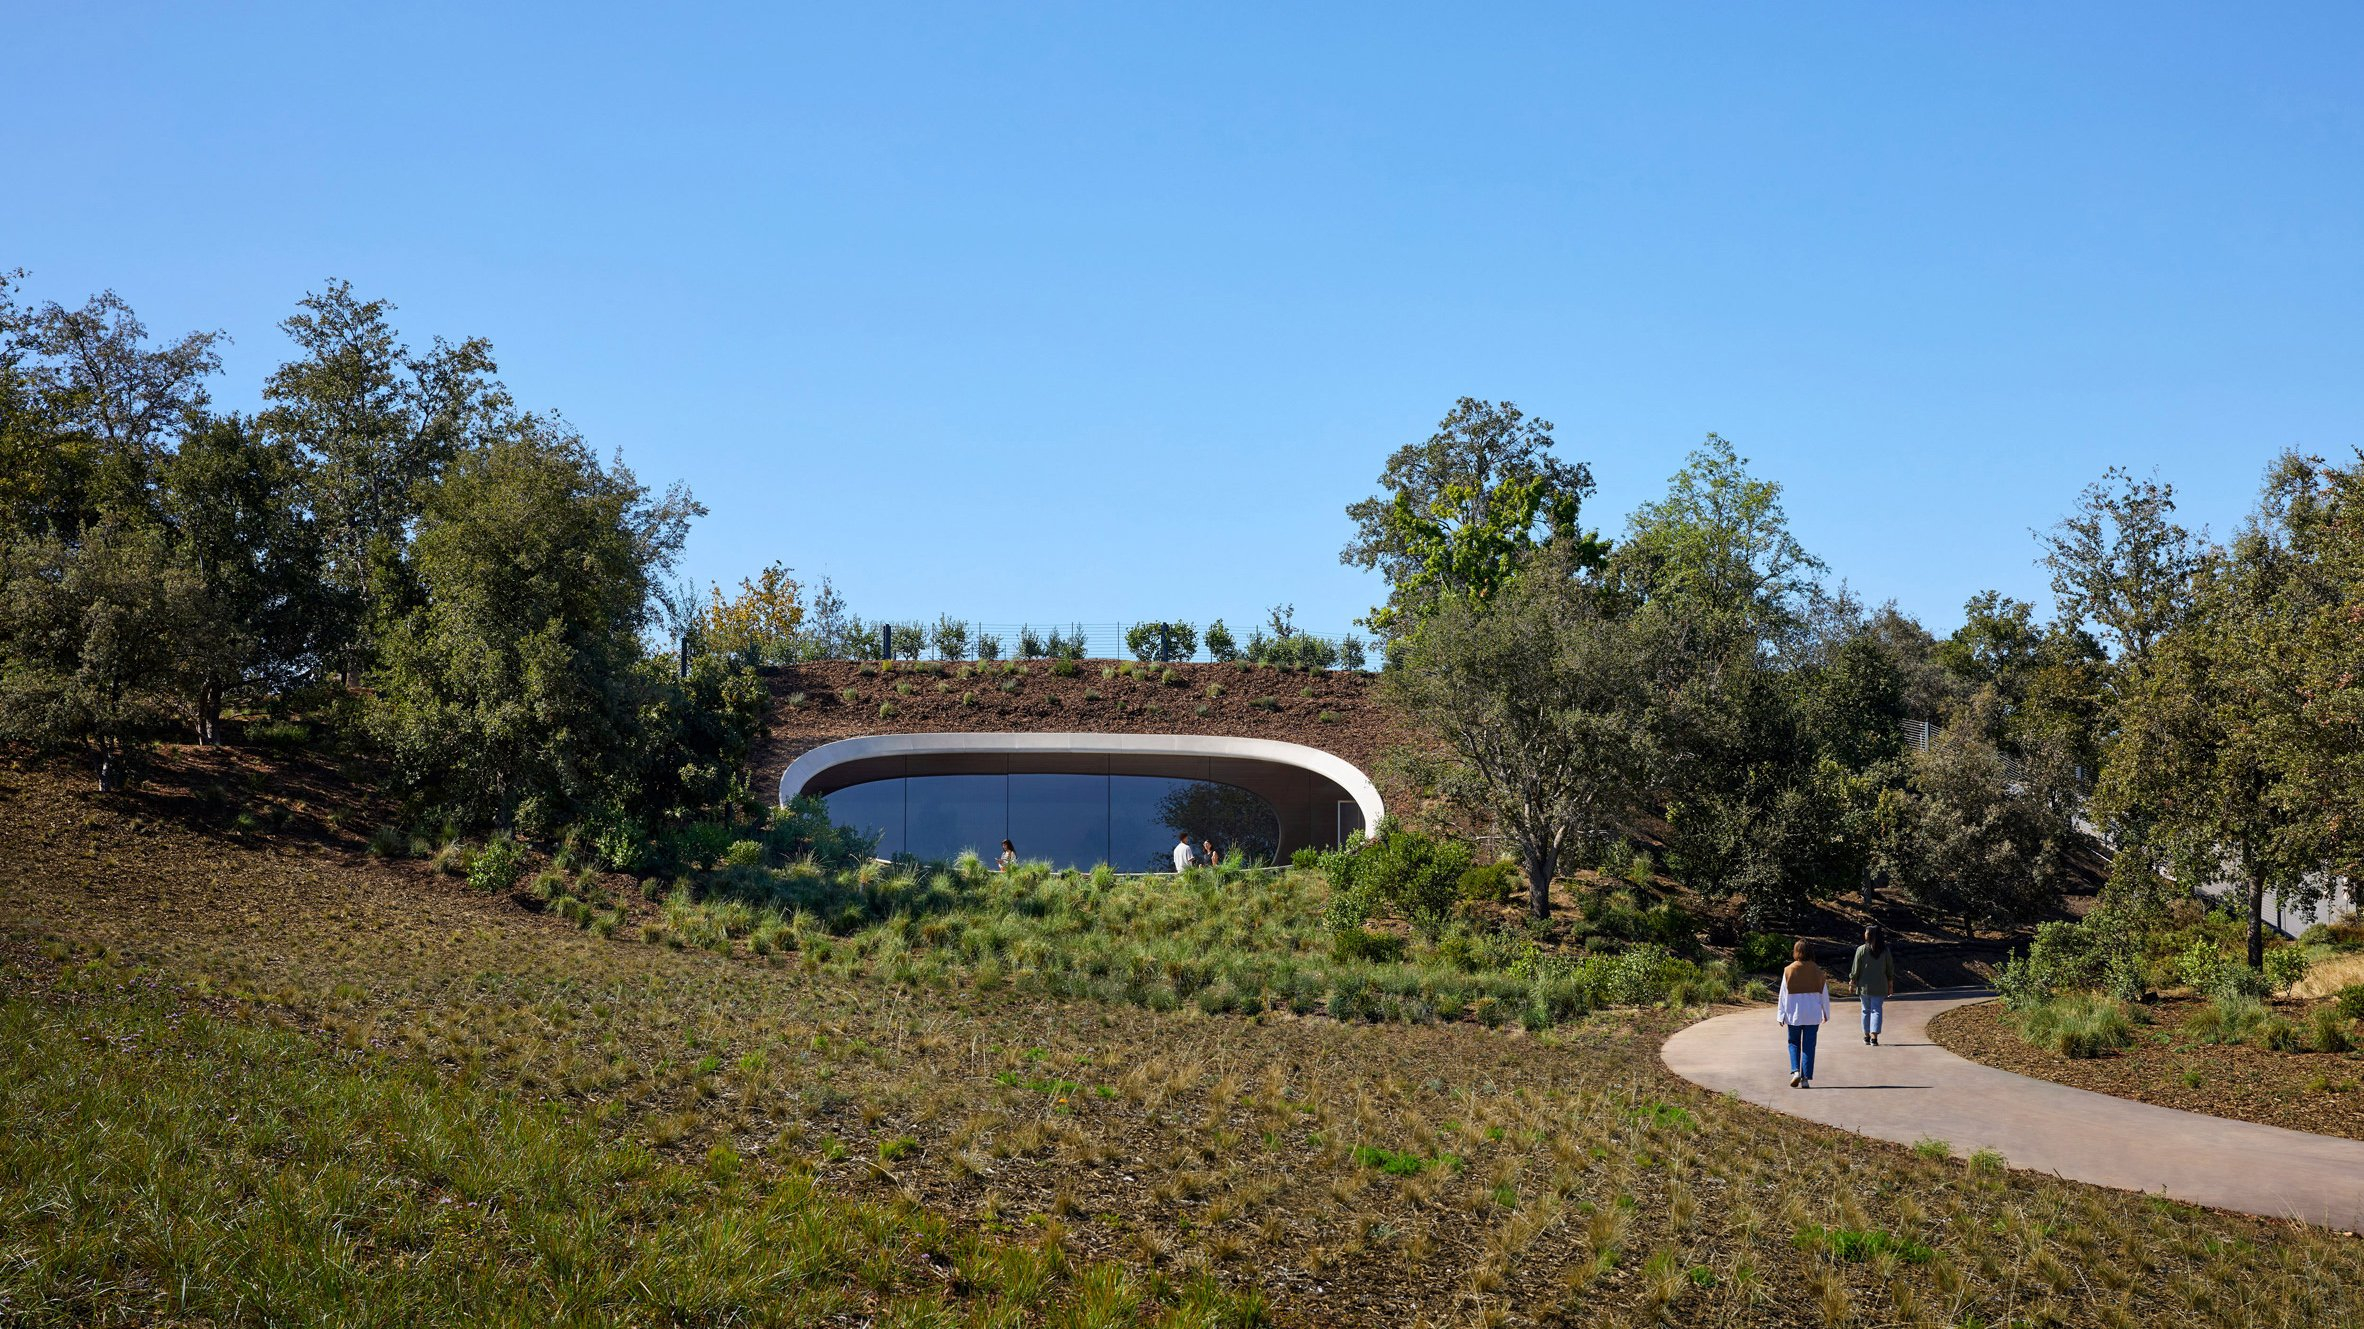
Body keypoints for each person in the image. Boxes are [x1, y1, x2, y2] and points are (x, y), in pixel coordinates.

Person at [1777, 940, 1832, 1088]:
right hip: (1812, 1014)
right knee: (1809, 1045)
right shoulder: (1817, 971)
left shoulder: (1788, 970)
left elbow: (1783, 994)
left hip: (1793, 1013)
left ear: (1796, 951)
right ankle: (1805, 1078)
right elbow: (1824, 994)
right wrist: (1826, 1012)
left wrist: (1780, 1014)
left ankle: (1795, 1071)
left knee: (1794, 1042)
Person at [1851, 924, 1896, 1045]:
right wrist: (1890, 985)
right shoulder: (1885, 950)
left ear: (1870, 935)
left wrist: (1852, 981)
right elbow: (1889, 969)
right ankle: (1874, 1037)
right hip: (1880, 986)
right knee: (1876, 1010)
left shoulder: (1861, 949)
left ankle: (1866, 1035)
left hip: (1864, 986)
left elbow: (1856, 969)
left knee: (1865, 1010)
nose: (1864, 934)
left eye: (1866, 932)